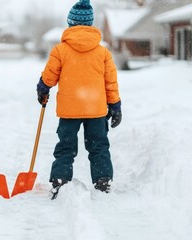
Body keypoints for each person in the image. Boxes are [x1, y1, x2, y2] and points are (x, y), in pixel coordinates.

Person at [37, 0, 122, 198]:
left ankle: (60, 180)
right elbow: (111, 82)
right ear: (90, 24)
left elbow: (50, 76)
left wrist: (43, 88)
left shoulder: (60, 50)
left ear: (70, 23)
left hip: (69, 110)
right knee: (99, 146)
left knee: (65, 146)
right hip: (96, 109)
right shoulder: (102, 53)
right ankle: (102, 181)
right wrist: (115, 106)